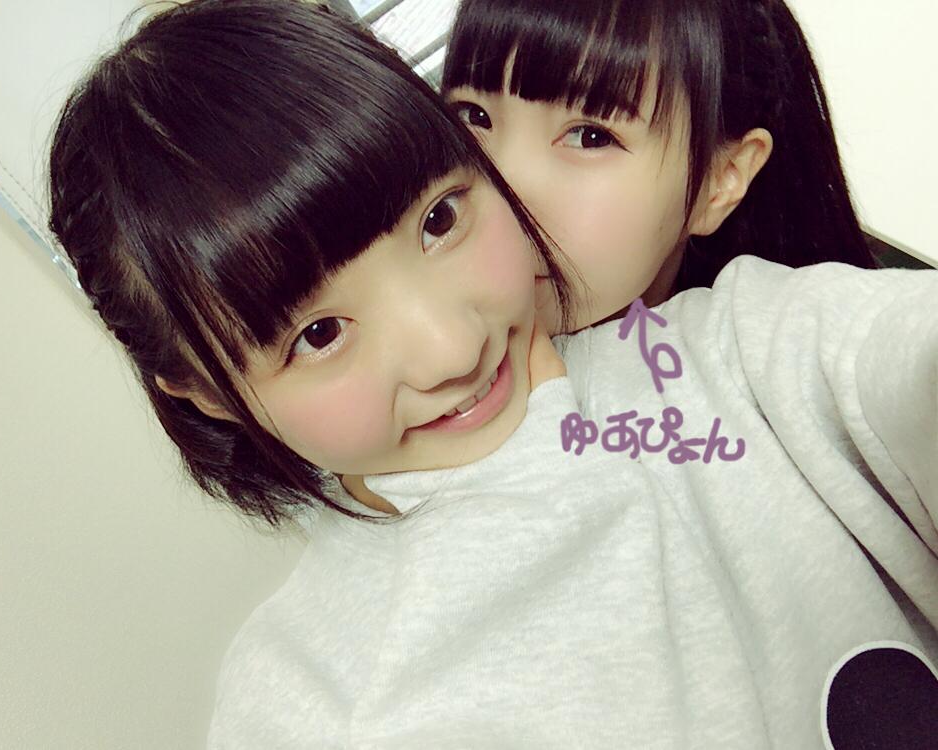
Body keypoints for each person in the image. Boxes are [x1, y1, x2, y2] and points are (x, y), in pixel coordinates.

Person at [45, 1, 937, 747]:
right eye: (318, 334)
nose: (452, 348)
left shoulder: (735, 349)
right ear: (204, 390)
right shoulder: (302, 707)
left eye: (439, 221)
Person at [443, 0, 881, 332]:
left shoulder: (792, 357)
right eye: (473, 116)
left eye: (591, 136)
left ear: (720, 180)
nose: (498, 190)